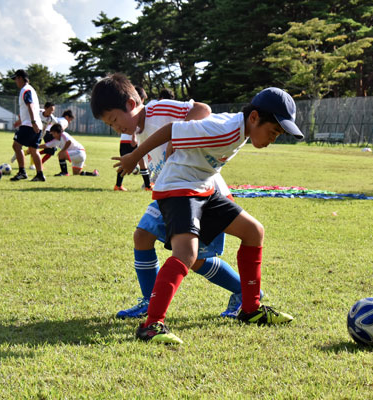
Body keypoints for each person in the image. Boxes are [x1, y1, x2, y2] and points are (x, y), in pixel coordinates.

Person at [113, 87, 304, 344]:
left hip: (203, 187)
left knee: (253, 232)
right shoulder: (223, 129)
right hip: (179, 188)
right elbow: (171, 130)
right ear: (255, 118)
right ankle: (151, 326)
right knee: (187, 255)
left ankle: (250, 310)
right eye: (274, 132)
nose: (273, 139)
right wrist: (134, 156)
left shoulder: (241, 129)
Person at [91, 73, 248, 321]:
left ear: (131, 104)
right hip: (172, 193)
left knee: (195, 260)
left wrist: (179, 136)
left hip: (199, 190)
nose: (115, 128)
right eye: (110, 125)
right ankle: (149, 300)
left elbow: (202, 109)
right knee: (142, 236)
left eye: (114, 120)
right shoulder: (138, 133)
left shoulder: (156, 109)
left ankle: (243, 291)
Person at [10, 69, 45, 182]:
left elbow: (29, 105)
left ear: (20, 78)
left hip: (30, 125)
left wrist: (33, 122)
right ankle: (40, 175)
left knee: (16, 146)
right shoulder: (31, 89)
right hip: (36, 125)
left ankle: (22, 172)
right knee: (33, 150)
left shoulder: (25, 90)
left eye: (16, 79)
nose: (16, 82)